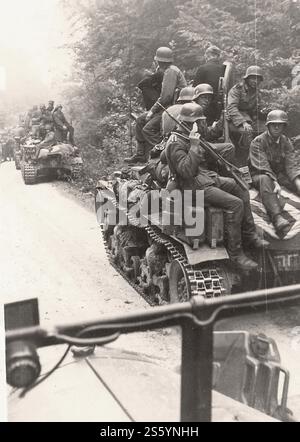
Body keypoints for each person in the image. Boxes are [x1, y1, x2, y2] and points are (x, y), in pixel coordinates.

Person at [163, 102, 268, 271]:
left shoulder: (189, 134)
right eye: (200, 121)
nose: (203, 124)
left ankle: (249, 234)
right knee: (235, 204)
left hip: (204, 178)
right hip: (191, 187)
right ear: (193, 123)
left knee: (240, 187)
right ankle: (236, 255)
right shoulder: (176, 142)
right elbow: (187, 172)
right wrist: (195, 146)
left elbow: (206, 154)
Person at [125, 47, 187, 164]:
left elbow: (166, 97)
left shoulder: (171, 72)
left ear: (159, 60)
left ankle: (164, 152)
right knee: (140, 120)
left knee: (148, 129)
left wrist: (152, 111)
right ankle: (140, 155)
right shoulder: (166, 70)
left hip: (173, 109)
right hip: (167, 107)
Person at [249, 110, 300, 236]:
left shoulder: (286, 141)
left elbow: (291, 165)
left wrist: (297, 183)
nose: (276, 127)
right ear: (268, 126)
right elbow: (262, 166)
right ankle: (277, 217)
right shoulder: (258, 141)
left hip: (278, 175)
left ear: (284, 126)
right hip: (259, 174)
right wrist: (275, 182)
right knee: (265, 179)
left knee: (296, 181)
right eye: (273, 124)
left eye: (280, 124)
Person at [193, 83, 235, 164]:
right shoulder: (193, 110)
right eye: (204, 98)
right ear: (196, 98)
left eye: (209, 98)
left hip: (200, 145)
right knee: (229, 147)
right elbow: (206, 136)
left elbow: (207, 134)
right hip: (195, 147)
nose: (207, 101)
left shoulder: (199, 111)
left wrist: (222, 121)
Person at [227, 66, 266, 151]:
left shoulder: (256, 92)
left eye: (258, 79)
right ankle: (248, 156)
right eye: (252, 78)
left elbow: (257, 108)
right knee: (247, 131)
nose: (255, 81)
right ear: (247, 78)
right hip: (233, 119)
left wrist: (264, 111)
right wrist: (243, 122)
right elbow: (231, 107)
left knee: (266, 129)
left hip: (248, 118)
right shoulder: (237, 90)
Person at [193, 45, 226, 123]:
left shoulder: (202, 68)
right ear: (218, 56)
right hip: (221, 108)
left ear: (207, 56)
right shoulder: (225, 69)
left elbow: (195, 89)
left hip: (205, 108)